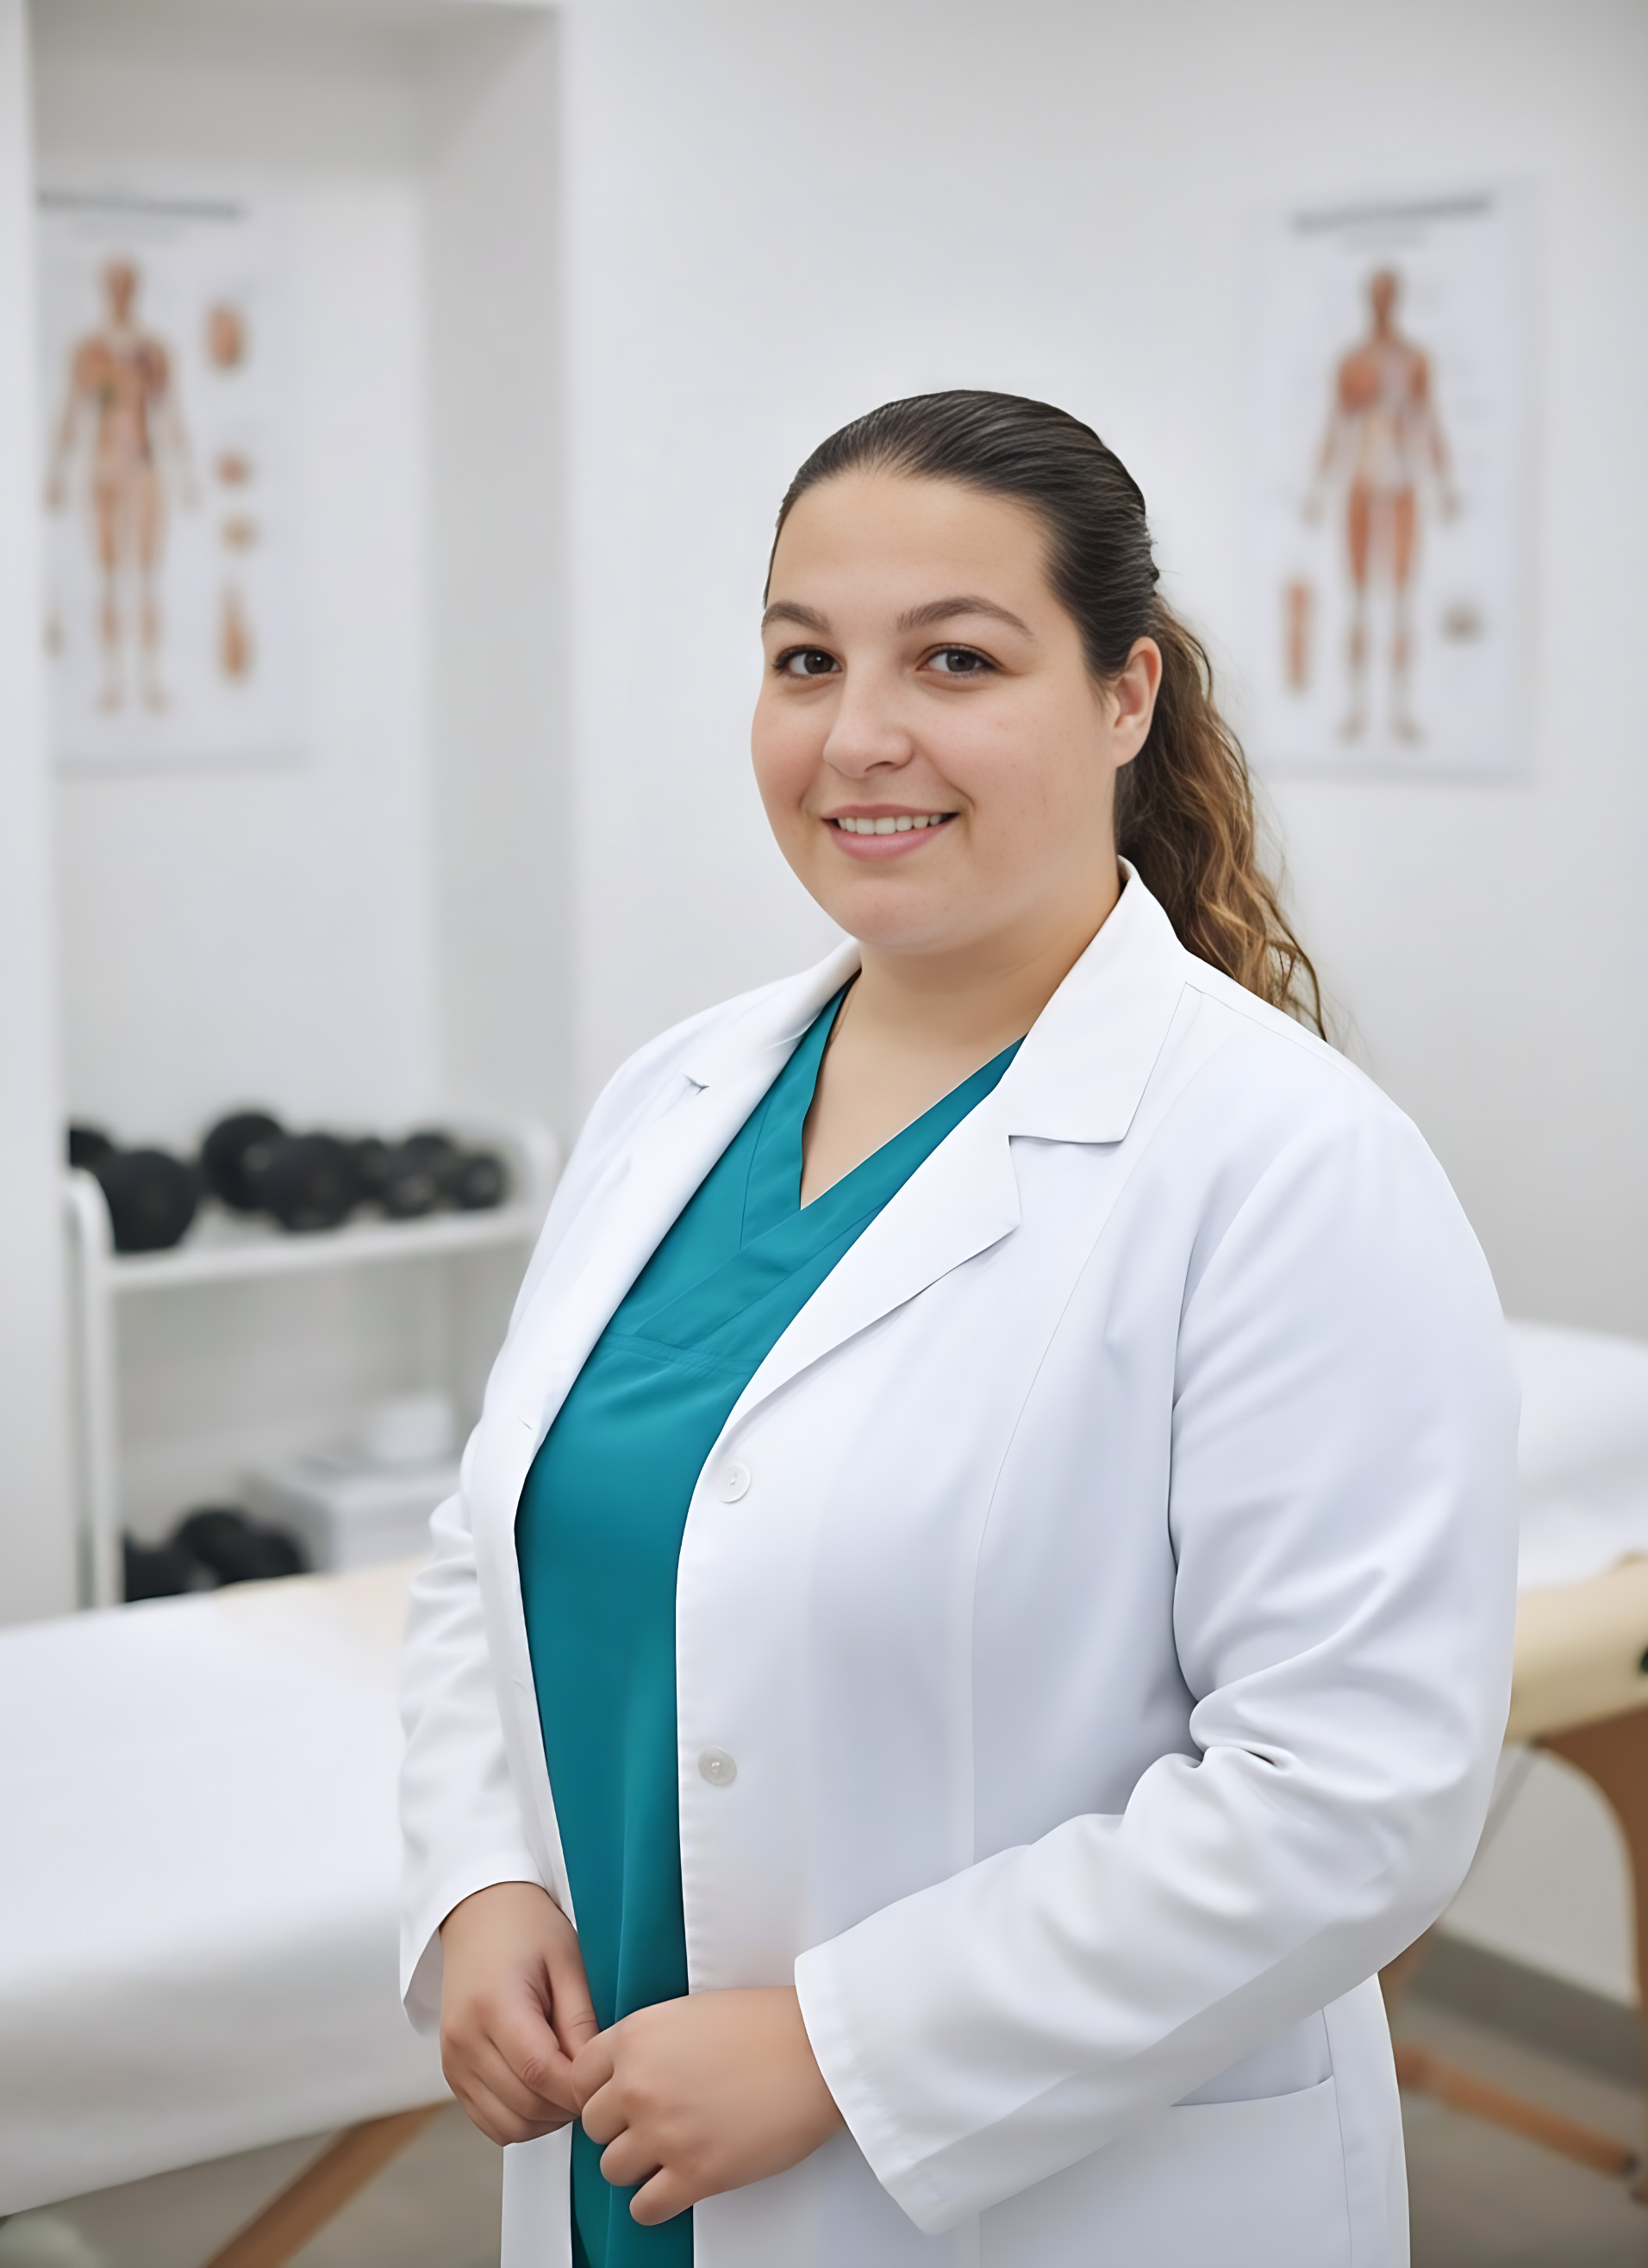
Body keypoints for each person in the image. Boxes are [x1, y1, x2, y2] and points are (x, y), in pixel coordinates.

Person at [401, 391, 1515, 2268]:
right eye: (804, 658)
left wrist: (844, 2048)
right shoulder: (673, 1098)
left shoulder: (1286, 1161)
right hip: (628, 2148)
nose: (860, 735)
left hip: (1032, 2190)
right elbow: (487, 1545)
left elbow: (1353, 1797)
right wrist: (480, 1874)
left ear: (1125, 695)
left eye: (957, 658)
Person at [1304, 268, 1458, 745]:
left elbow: (1429, 420)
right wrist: (1318, 485)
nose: (1383, 303)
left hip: (1402, 483)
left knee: (1402, 600)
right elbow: (1335, 423)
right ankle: (1356, 708)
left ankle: (1399, 710)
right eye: (1377, 295)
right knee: (1358, 599)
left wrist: (1444, 481)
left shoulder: (1414, 361)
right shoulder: (1353, 363)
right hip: (1363, 481)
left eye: (1388, 295)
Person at [45, 257, 196, 713]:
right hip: (104, 464)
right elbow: (71, 411)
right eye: (114, 283)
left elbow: (170, 412)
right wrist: (55, 472)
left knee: (147, 578)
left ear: (137, 288)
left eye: (128, 283)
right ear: (104, 288)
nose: (121, 290)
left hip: (145, 464)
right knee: (109, 578)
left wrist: (187, 474)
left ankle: (149, 681)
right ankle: (112, 682)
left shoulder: (155, 349)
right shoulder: (89, 349)